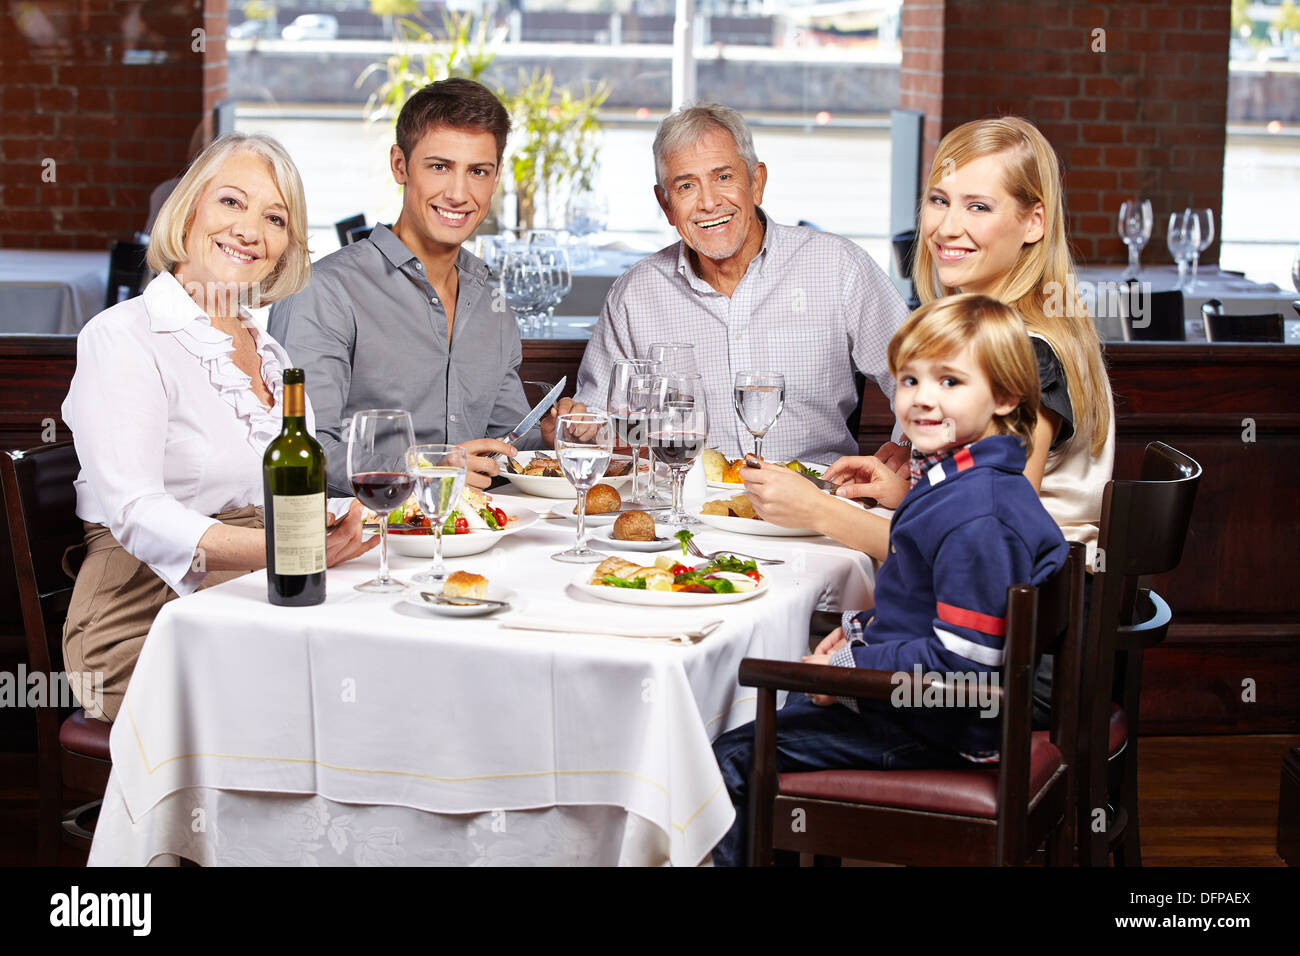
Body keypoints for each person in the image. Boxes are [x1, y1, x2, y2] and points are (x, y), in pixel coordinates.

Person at [710, 294, 1069, 866]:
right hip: (932, 712)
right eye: (909, 380)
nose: (922, 399)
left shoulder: (980, 516)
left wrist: (850, 669)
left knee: (726, 758)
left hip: (942, 732)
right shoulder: (963, 481)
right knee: (776, 704)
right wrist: (857, 633)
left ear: (1004, 396)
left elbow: (962, 669)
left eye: (950, 382)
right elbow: (924, 604)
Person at [62, 132, 376, 723]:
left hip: (256, 596)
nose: (250, 230)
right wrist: (290, 552)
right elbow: (134, 510)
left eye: (275, 217)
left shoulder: (272, 352)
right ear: (190, 210)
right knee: (319, 703)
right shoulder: (122, 336)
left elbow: (278, 498)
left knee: (384, 662)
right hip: (143, 618)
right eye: (232, 202)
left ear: (286, 246)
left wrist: (346, 524)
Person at [744, 116, 1114, 572]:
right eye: (940, 201)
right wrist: (908, 495)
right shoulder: (1019, 328)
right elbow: (972, 515)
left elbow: (984, 550)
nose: (946, 227)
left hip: (1022, 620)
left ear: (1034, 221)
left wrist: (820, 510)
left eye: (978, 207)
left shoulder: (1027, 351)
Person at [269, 78, 580, 494]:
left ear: (496, 176)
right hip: (367, 541)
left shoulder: (493, 301)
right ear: (400, 165)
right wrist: (426, 469)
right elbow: (305, 448)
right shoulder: (323, 292)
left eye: (478, 172)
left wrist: (546, 438)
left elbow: (503, 442)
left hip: (476, 538)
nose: (458, 193)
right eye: (439, 167)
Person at [571, 103, 908, 464]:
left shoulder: (838, 267)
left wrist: (907, 452)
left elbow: (922, 373)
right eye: (686, 186)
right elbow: (601, 424)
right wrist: (579, 429)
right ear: (666, 204)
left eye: (724, 178)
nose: (709, 202)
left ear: (756, 182)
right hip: (685, 509)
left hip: (815, 504)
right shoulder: (634, 295)